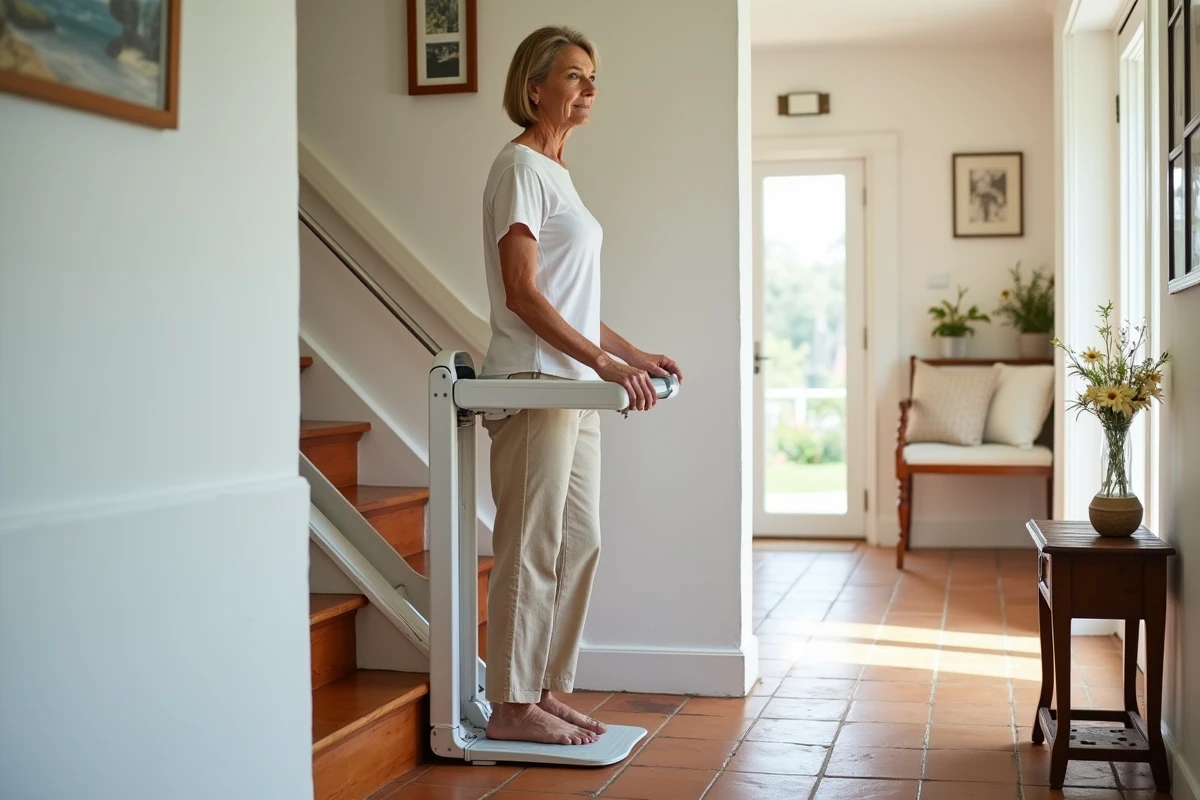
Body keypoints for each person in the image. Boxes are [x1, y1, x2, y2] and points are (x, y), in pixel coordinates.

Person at [478, 25, 683, 746]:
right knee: (532, 546)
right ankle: (509, 702)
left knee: (580, 541)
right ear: (534, 87)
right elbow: (523, 295)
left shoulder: (559, 173)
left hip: (576, 386)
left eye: (592, 76)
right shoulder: (519, 169)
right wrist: (603, 365)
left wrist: (634, 354)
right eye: (573, 76)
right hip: (538, 383)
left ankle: (541, 687)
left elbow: (575, 302)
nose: (589, 89)